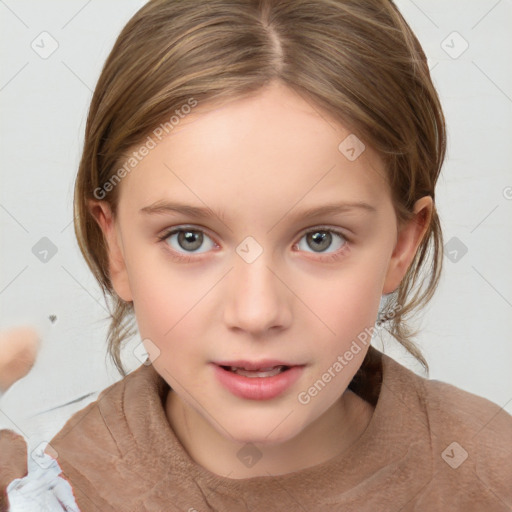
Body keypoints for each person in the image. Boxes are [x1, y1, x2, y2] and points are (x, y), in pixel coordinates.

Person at [1, 0, 511, 510]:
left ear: (402, 244)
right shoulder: (42, 486)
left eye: (320, 239)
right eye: (190, 239)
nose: (257, 312)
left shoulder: (491, 468)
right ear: (116, 247)